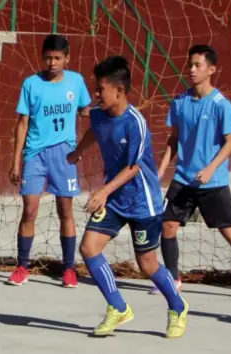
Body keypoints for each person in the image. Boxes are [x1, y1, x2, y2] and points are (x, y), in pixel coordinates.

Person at [67, 56, 188, 338]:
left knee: (147, 264)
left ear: (119, 91)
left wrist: (103, 191)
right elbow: (93, 132)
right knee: (88, 248)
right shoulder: (98, 114)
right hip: (115, 200)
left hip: (142, 202)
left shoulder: (136, 123)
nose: (96, 95)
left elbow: (133, 168)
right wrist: (77, 152)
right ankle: (118, 308)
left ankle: (178, 306)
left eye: (100, 90)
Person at [149, 44, 231, 295]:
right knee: (167, 226)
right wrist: (162, 168)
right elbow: (174, 139)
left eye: (197, 65)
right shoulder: (179, 102)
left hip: (212, 182)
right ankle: (172, 278)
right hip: (183, 179)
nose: (191, 69)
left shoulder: (222, 105)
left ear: (211, 69)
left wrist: (211, 168)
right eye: (190, 64)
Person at [8, 34, 91, 287]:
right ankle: (22, 266)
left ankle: (68, 269)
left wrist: (104, 111)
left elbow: (85, 110)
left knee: (65, 211)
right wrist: (16, 161)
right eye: (47, 58)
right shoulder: (31, 84)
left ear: (67, 58)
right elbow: (22, 123)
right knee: (30, 210)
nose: (52, 63)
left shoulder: (76, 82)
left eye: (57, 58)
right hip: (34, 155)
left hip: (64, 154)